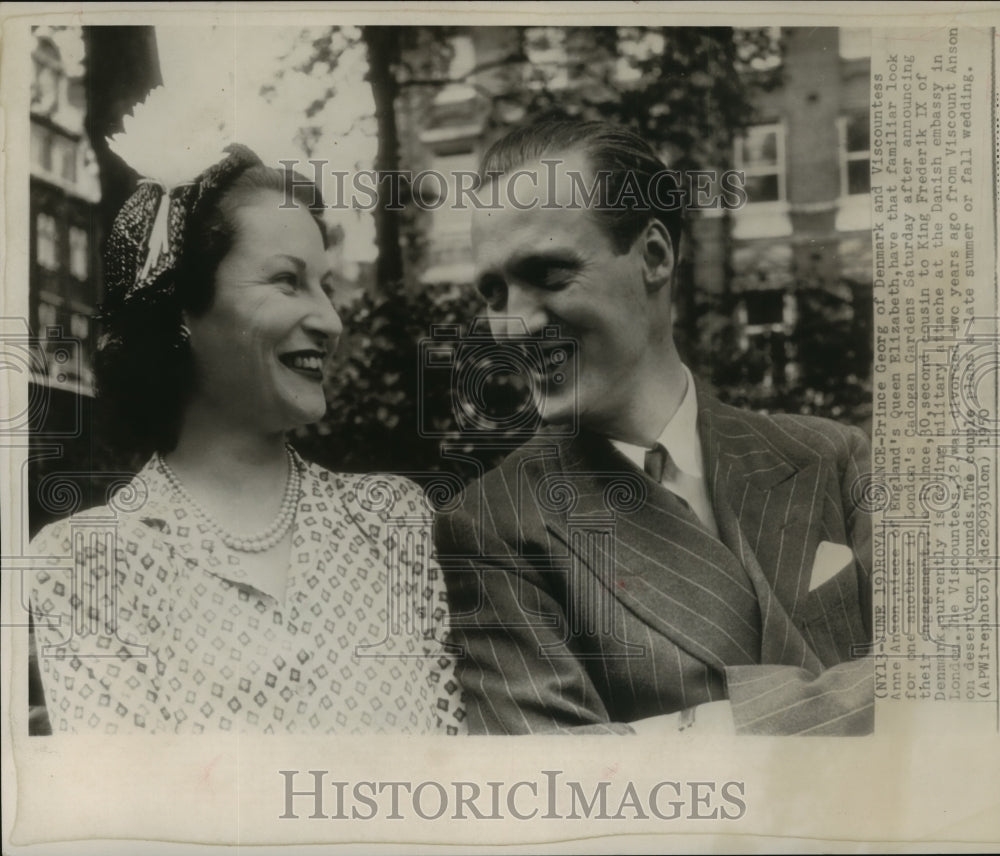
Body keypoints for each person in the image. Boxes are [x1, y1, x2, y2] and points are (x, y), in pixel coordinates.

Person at [434, 119, 873, 736]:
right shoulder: (495, 525)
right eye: (494, 292)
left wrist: (686, 731)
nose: (513, 326)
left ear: (656, 256)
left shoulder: (833, 455)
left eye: (549, 273)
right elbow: (562, 783)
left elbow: (955, 690)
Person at [30, 142, 465, 735]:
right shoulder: (88, 564)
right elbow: (129, 814)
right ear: (182, 306)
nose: (331, 321)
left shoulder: (391, 522)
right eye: (288, 281)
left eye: (327, 287)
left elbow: (448, 768)